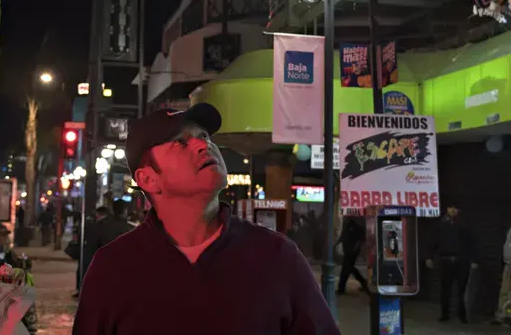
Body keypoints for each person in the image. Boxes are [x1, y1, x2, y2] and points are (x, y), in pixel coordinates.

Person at [73, 103, 339, 335]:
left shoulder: (277, 257)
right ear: (148, 179)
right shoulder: (113, 270)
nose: (203, 144)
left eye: (204, 135)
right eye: (180, 141)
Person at [427, 205, 478, 323]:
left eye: (455, 208)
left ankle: (462, 315)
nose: (452, 210)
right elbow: (433, 240)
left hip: (461, 260)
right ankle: (445, 314)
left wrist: (475, 260)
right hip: (445, 260)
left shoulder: (465, 224)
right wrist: (429, 257)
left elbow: (472, 242)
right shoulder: (441, 224)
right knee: (445, 289)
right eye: (450, 208)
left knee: (462, 290)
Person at [336, 216, 369, 294]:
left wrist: (355, 248)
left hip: (352, 252)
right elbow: (342, 236)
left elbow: (361, 240)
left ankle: (341, 289)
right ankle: (363, 284)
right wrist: (336, 244)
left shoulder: (357, 227)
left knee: (346, 269)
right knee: (349, 269)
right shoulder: (348, 225)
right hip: (348, 251)